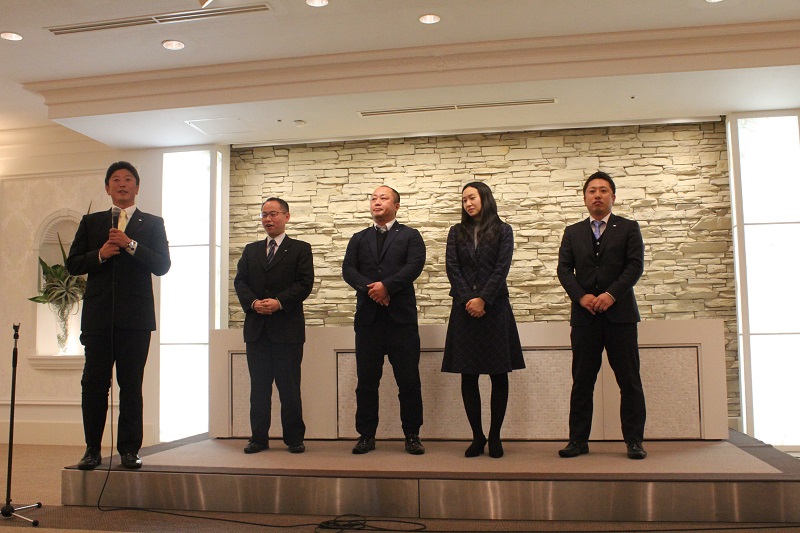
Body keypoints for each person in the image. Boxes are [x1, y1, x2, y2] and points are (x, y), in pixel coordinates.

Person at [66, 161, 171, 470]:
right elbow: (73, 263)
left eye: (128, 179)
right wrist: (100, 254)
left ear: (137, 187)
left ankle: (129, 450)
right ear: (107, 188)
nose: (122, 184)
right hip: (98, 318)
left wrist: (130, 244)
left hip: (135, 320)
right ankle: (92, 449)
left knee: (131, 385)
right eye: (115, 179)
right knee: (94, 385)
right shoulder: (91, 222)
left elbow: (162, 265)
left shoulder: (152, 223)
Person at [556, 171, 647, 460]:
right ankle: (577, 440)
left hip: (620, 317)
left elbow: (635, 266)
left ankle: (634, 441)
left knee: (629, 381)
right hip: (585, 318)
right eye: (592, 191)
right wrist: (581, 296)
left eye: (603, 190)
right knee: (582, 382)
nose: (598, 195)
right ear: (585, 198)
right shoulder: (572, 232)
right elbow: (563, 269)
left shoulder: (629, 228)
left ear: (613, 197)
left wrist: (611, 294)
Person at [441, 182, 525, 459]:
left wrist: (483, 299)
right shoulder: (456, 232)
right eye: (464, 199)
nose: (468, 203)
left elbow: (502, 267)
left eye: (472, 198)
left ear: (485, 199)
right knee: (469, 374)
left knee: (498, 374)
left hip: (495, 308)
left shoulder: (503, 230)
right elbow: (452, 267)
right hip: (464, 309)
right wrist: (469, 298)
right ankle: (477, 436)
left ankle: (495, 435)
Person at [342, 186, 426, 455]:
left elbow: (414, 266)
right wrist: (372, 290)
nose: (377, 202)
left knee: (408, 381)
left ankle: (412, 435)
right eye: (373, 198)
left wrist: (387, 286)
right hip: (369, 322)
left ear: (396, 205)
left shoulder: (411, 236)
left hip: (401, 321)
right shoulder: (359, 238)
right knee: (366, 383)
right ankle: (366, 435)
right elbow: (348, 270)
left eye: (384, 198)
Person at [234, 198, 314, 454]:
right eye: (264, 215)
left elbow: (305, 284)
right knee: (259, 388)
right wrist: (253, 303)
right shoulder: (251, 250)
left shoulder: (300, 249)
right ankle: (258, 438)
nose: (268, 219)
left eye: (273, 214)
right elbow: (240, 282)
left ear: (286, 216)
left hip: (287, 330)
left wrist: (279, 302)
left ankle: (294, 438)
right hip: (257, 330)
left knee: (289, 388)